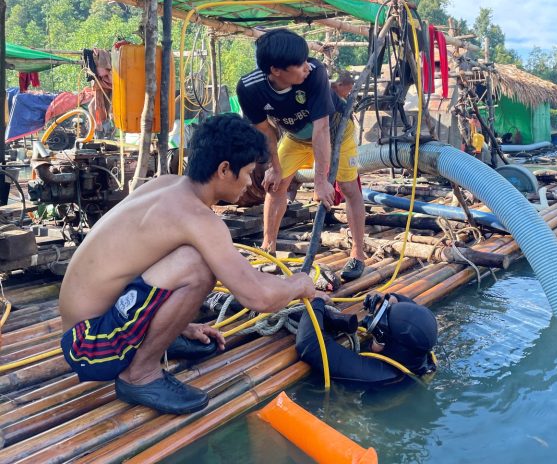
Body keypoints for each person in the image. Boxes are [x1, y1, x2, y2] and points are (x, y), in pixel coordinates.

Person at [59, 114, 318, 415]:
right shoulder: (197, 219)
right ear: (224, 170)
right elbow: (258, 296)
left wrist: (178, 326)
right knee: (198, 266)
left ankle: (156, 340)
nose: (251, 182)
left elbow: (135, 267)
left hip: (86, 329)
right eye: (247, 172)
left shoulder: (167, 184)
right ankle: (140, 374)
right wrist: (299, 283)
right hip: (91, 348)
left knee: (191, 257)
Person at [236, 29, 367, 282]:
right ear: (276, 70)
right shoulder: (250, 88)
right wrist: (274, 166)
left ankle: (358, 253)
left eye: (306, 60)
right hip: (295, 137)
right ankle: (268, 247)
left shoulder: (315, 72)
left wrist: (321, 179)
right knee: (275, 186)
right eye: (299, 64)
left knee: (349, 188)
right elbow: (266, 132)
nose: (307, 66)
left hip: (336, 130)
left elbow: (321, 130)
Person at [295, 292, 438, 385]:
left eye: (376, 336)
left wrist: (317, 302)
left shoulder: (377, 375)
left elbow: (309, 344)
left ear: (388, 345)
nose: (371, 337)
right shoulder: (421, 351)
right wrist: (389, 300)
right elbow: (415, 313)